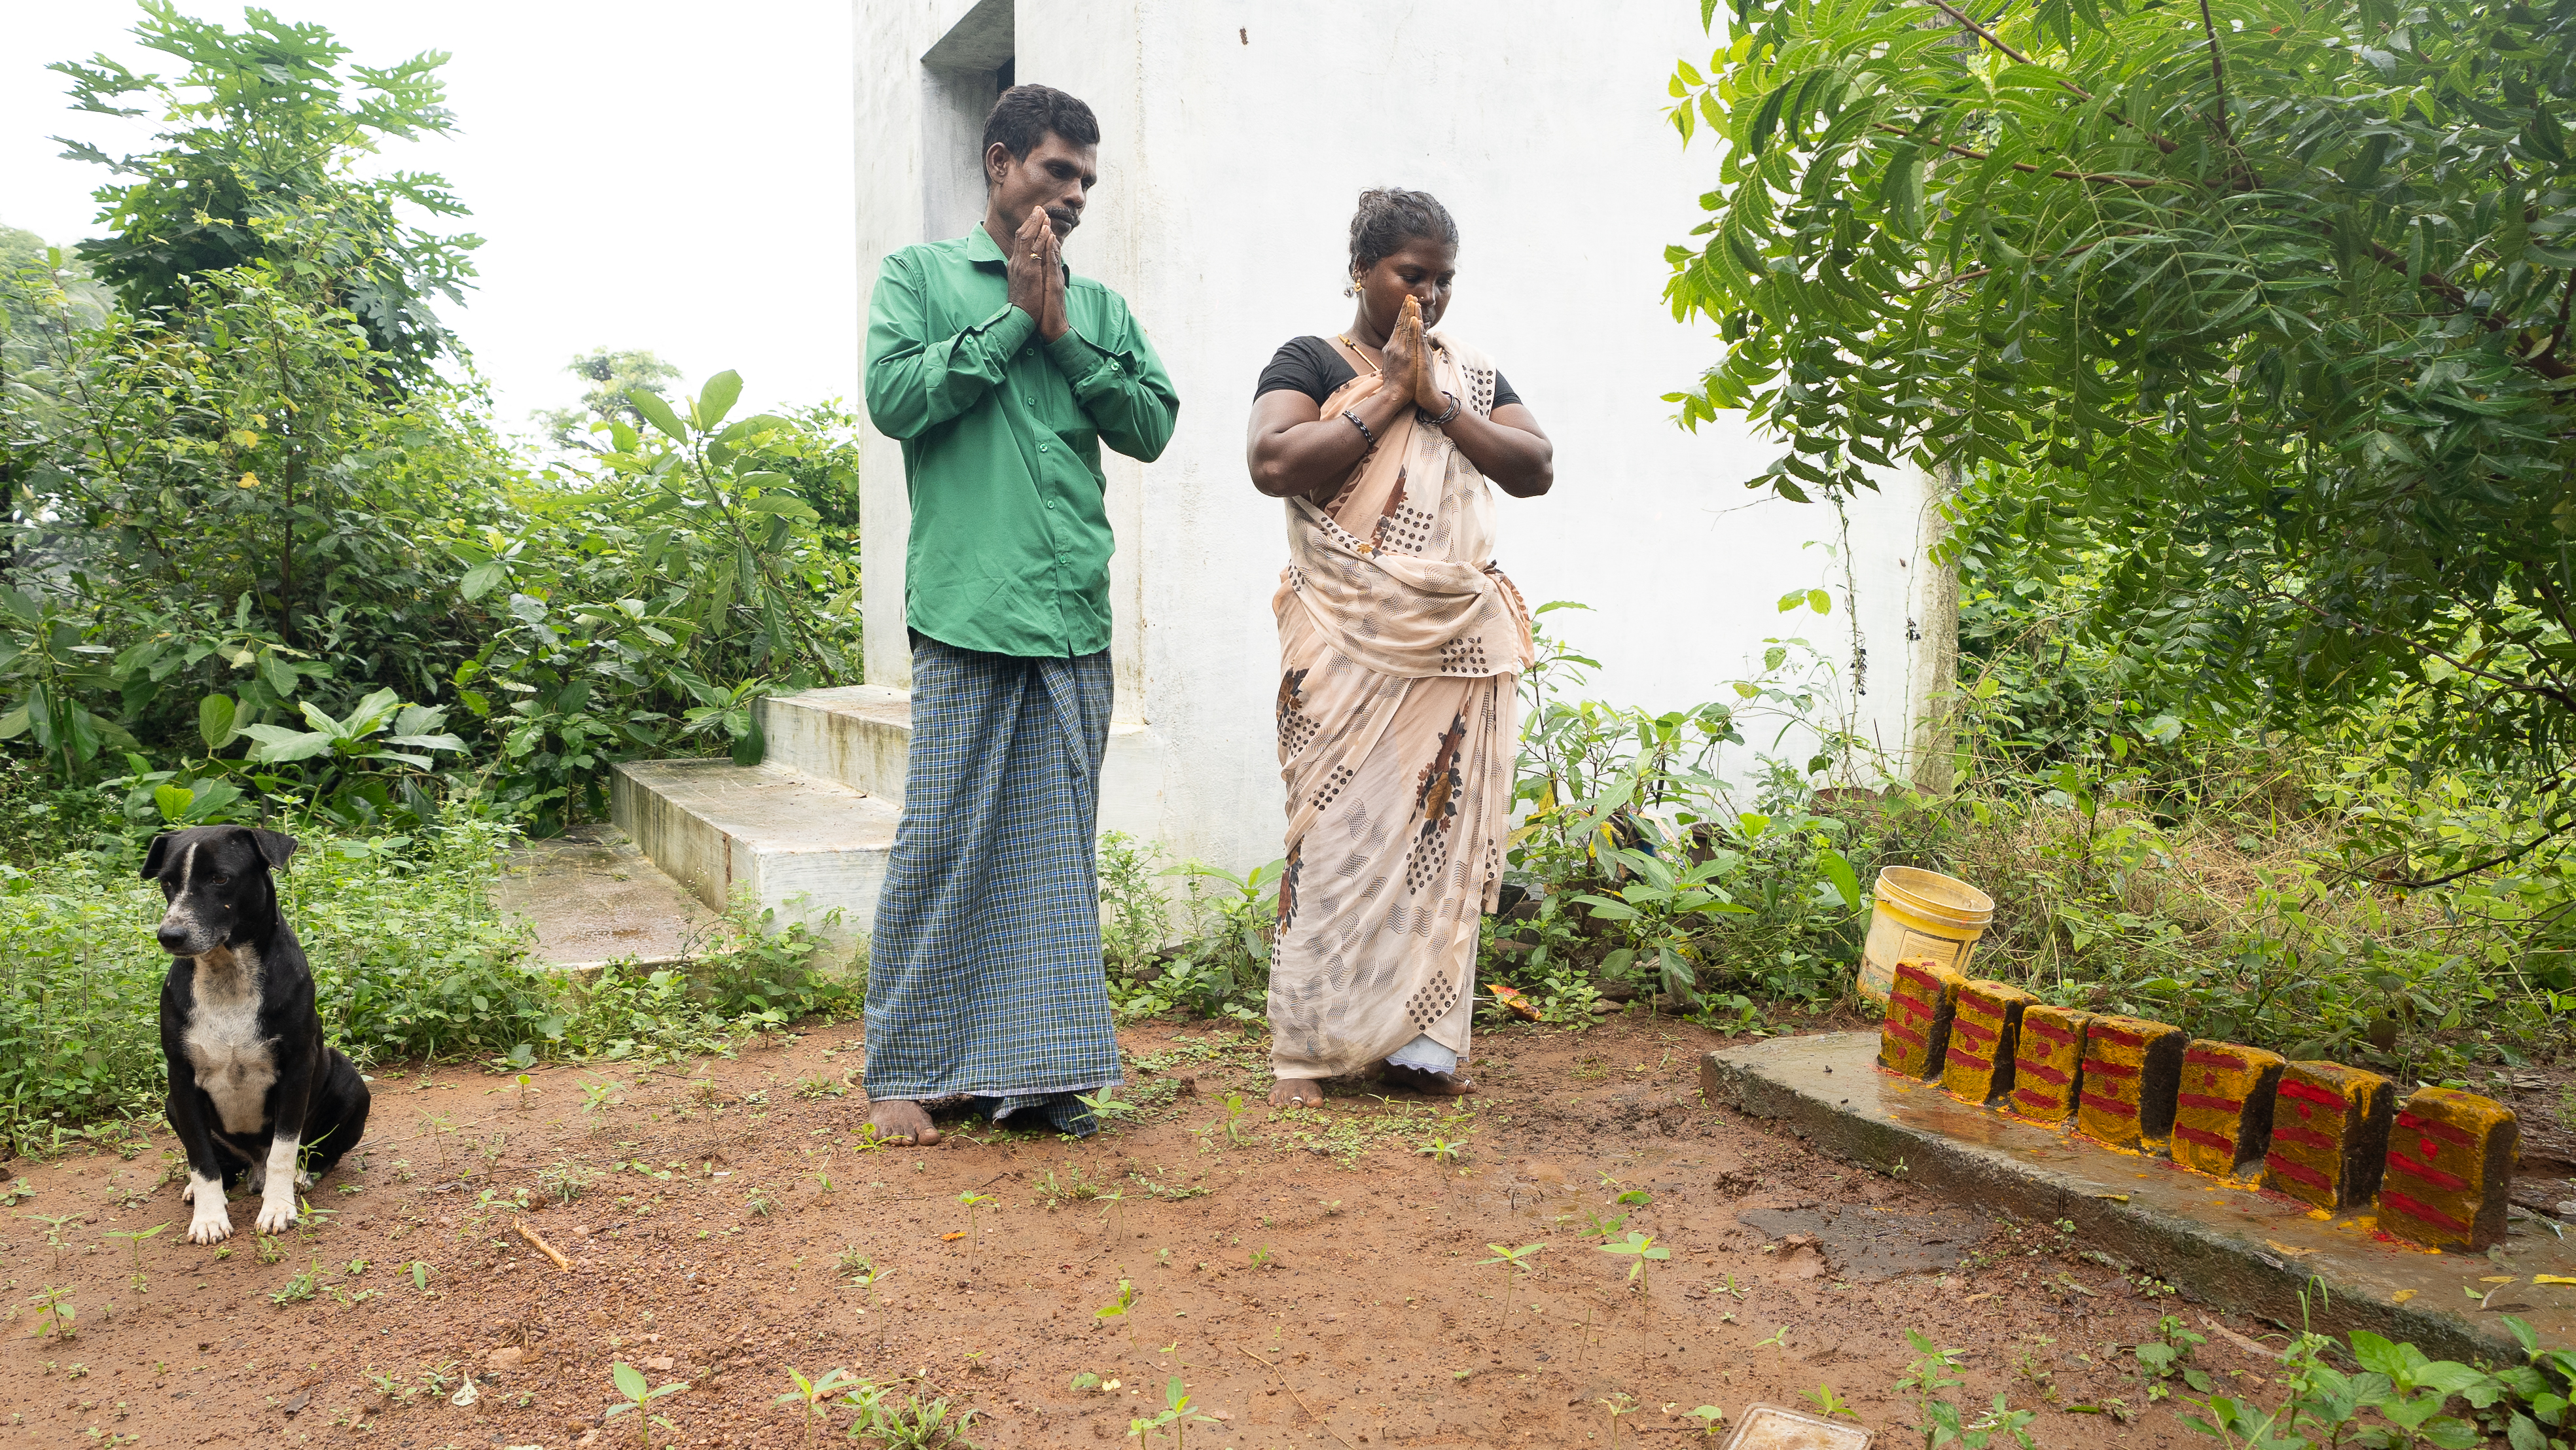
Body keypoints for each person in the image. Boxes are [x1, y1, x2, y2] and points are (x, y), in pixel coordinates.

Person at [859, 84, 1180, 1144]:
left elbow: (1151, 425)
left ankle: (1033, 1079)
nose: (1076, 193)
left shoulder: (1101, 310)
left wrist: (1062, 334)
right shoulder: (919, 278)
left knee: (1052, 855)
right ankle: (908, 1071)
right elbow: (896, 399)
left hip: (1072, 613)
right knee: (943, 841)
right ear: (1001, 164)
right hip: (968, 607)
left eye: (1087, 178)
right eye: (1057, 170)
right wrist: (1010, 322)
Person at [1245, 188, 1555, 1108]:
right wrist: (1389, 394)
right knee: (1334, 832)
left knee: (1435, 834)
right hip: (1343, 637)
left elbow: (1536, 467)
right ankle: (1308, 1051)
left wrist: (1439, 404)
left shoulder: (1470, 375)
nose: (1430, 294)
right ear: (1360, 271)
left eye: (1444, 278)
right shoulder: (1309, 360)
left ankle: (1418, 1049)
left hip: (1449, 645)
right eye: (1410, 274)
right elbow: (1273, 462)